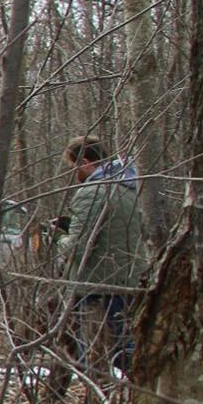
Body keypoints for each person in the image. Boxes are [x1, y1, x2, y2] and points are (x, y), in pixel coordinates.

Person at [54, 135, 149, 381]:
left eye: (74, 167)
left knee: (104, 358)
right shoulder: (129, 188)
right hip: (128, 281)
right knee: (125, 349)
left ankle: (118, 399)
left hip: (99, 287)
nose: (74, 174)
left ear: (85, 162)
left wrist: (58, 239)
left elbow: (78, 248)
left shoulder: (91, 192)